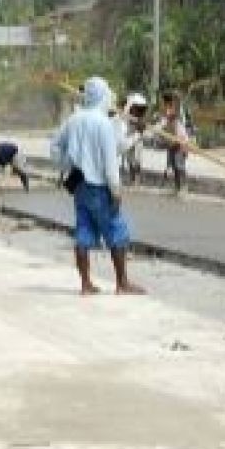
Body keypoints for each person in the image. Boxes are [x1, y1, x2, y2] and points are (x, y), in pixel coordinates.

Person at [51, 76, 145, 296]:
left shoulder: (73, 119)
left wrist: (69, 163)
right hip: (100, 186)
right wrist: (116, 191)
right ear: (103, 96)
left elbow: (55, 147)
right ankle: (122, 283)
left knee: (83, 231)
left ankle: (85, 284)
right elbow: (110, 161)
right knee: (117, 231)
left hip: (80, 185)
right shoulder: (102, 123)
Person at [156, 92, 190, 194]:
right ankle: (177, 187)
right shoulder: (165, 114)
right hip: (171, 143)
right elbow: (161, 125)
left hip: (181, 143)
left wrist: (176, 100)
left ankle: (184, 186)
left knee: (179, 166)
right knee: (174, 166)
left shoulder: (178, 113)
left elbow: (175, 116)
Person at [117, 93, 148, 186]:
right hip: (128, 136)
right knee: (130, 159)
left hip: (137, 138)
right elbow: (124, 121)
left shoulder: (141, 116)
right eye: (136, 107)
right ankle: (132, 178)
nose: (137, 109)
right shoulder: (127, 113)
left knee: (136, 159)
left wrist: (140, 128)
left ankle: (136, 180)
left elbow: (143, 126)